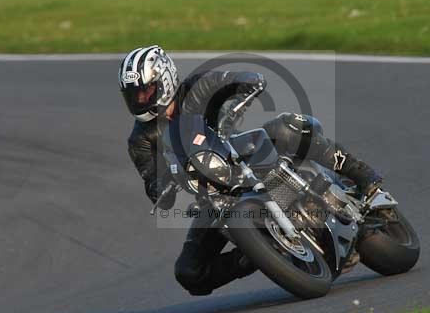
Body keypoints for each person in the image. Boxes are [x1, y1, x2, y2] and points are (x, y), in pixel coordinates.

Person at [120, 45, 383, 295]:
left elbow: (241, 80)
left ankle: (362, 175)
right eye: (134, 95)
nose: (141, 99)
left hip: (239, 153)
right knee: (190, 273)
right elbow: (151, 178)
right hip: (211, 194)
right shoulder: (140, 139)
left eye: (146, 91)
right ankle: (264, 253)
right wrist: (161, 190)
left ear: (165, 80)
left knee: (287, 128)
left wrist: (244, 89)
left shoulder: (196, 88)